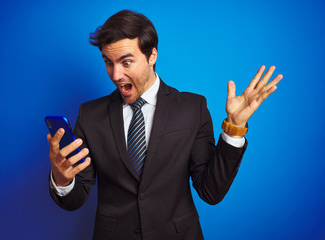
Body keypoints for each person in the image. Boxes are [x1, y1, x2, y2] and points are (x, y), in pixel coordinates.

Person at [47, 10, 282, 240]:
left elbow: (211, 191)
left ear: (152, 56)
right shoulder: (90, 115)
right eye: (108, 62)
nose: (116, 74)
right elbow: (75, 199)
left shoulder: (193, 108)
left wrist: (234, 127)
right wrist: (62, 179)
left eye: (126, 62)